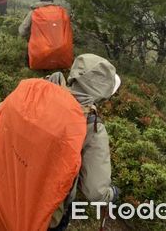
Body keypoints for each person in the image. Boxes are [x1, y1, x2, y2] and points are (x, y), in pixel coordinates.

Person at [46, 54, 121, 230]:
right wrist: (111, 194)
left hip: (12, 186)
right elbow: (95, 191)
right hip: (48, 209)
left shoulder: (47, 91)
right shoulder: (91, 125)